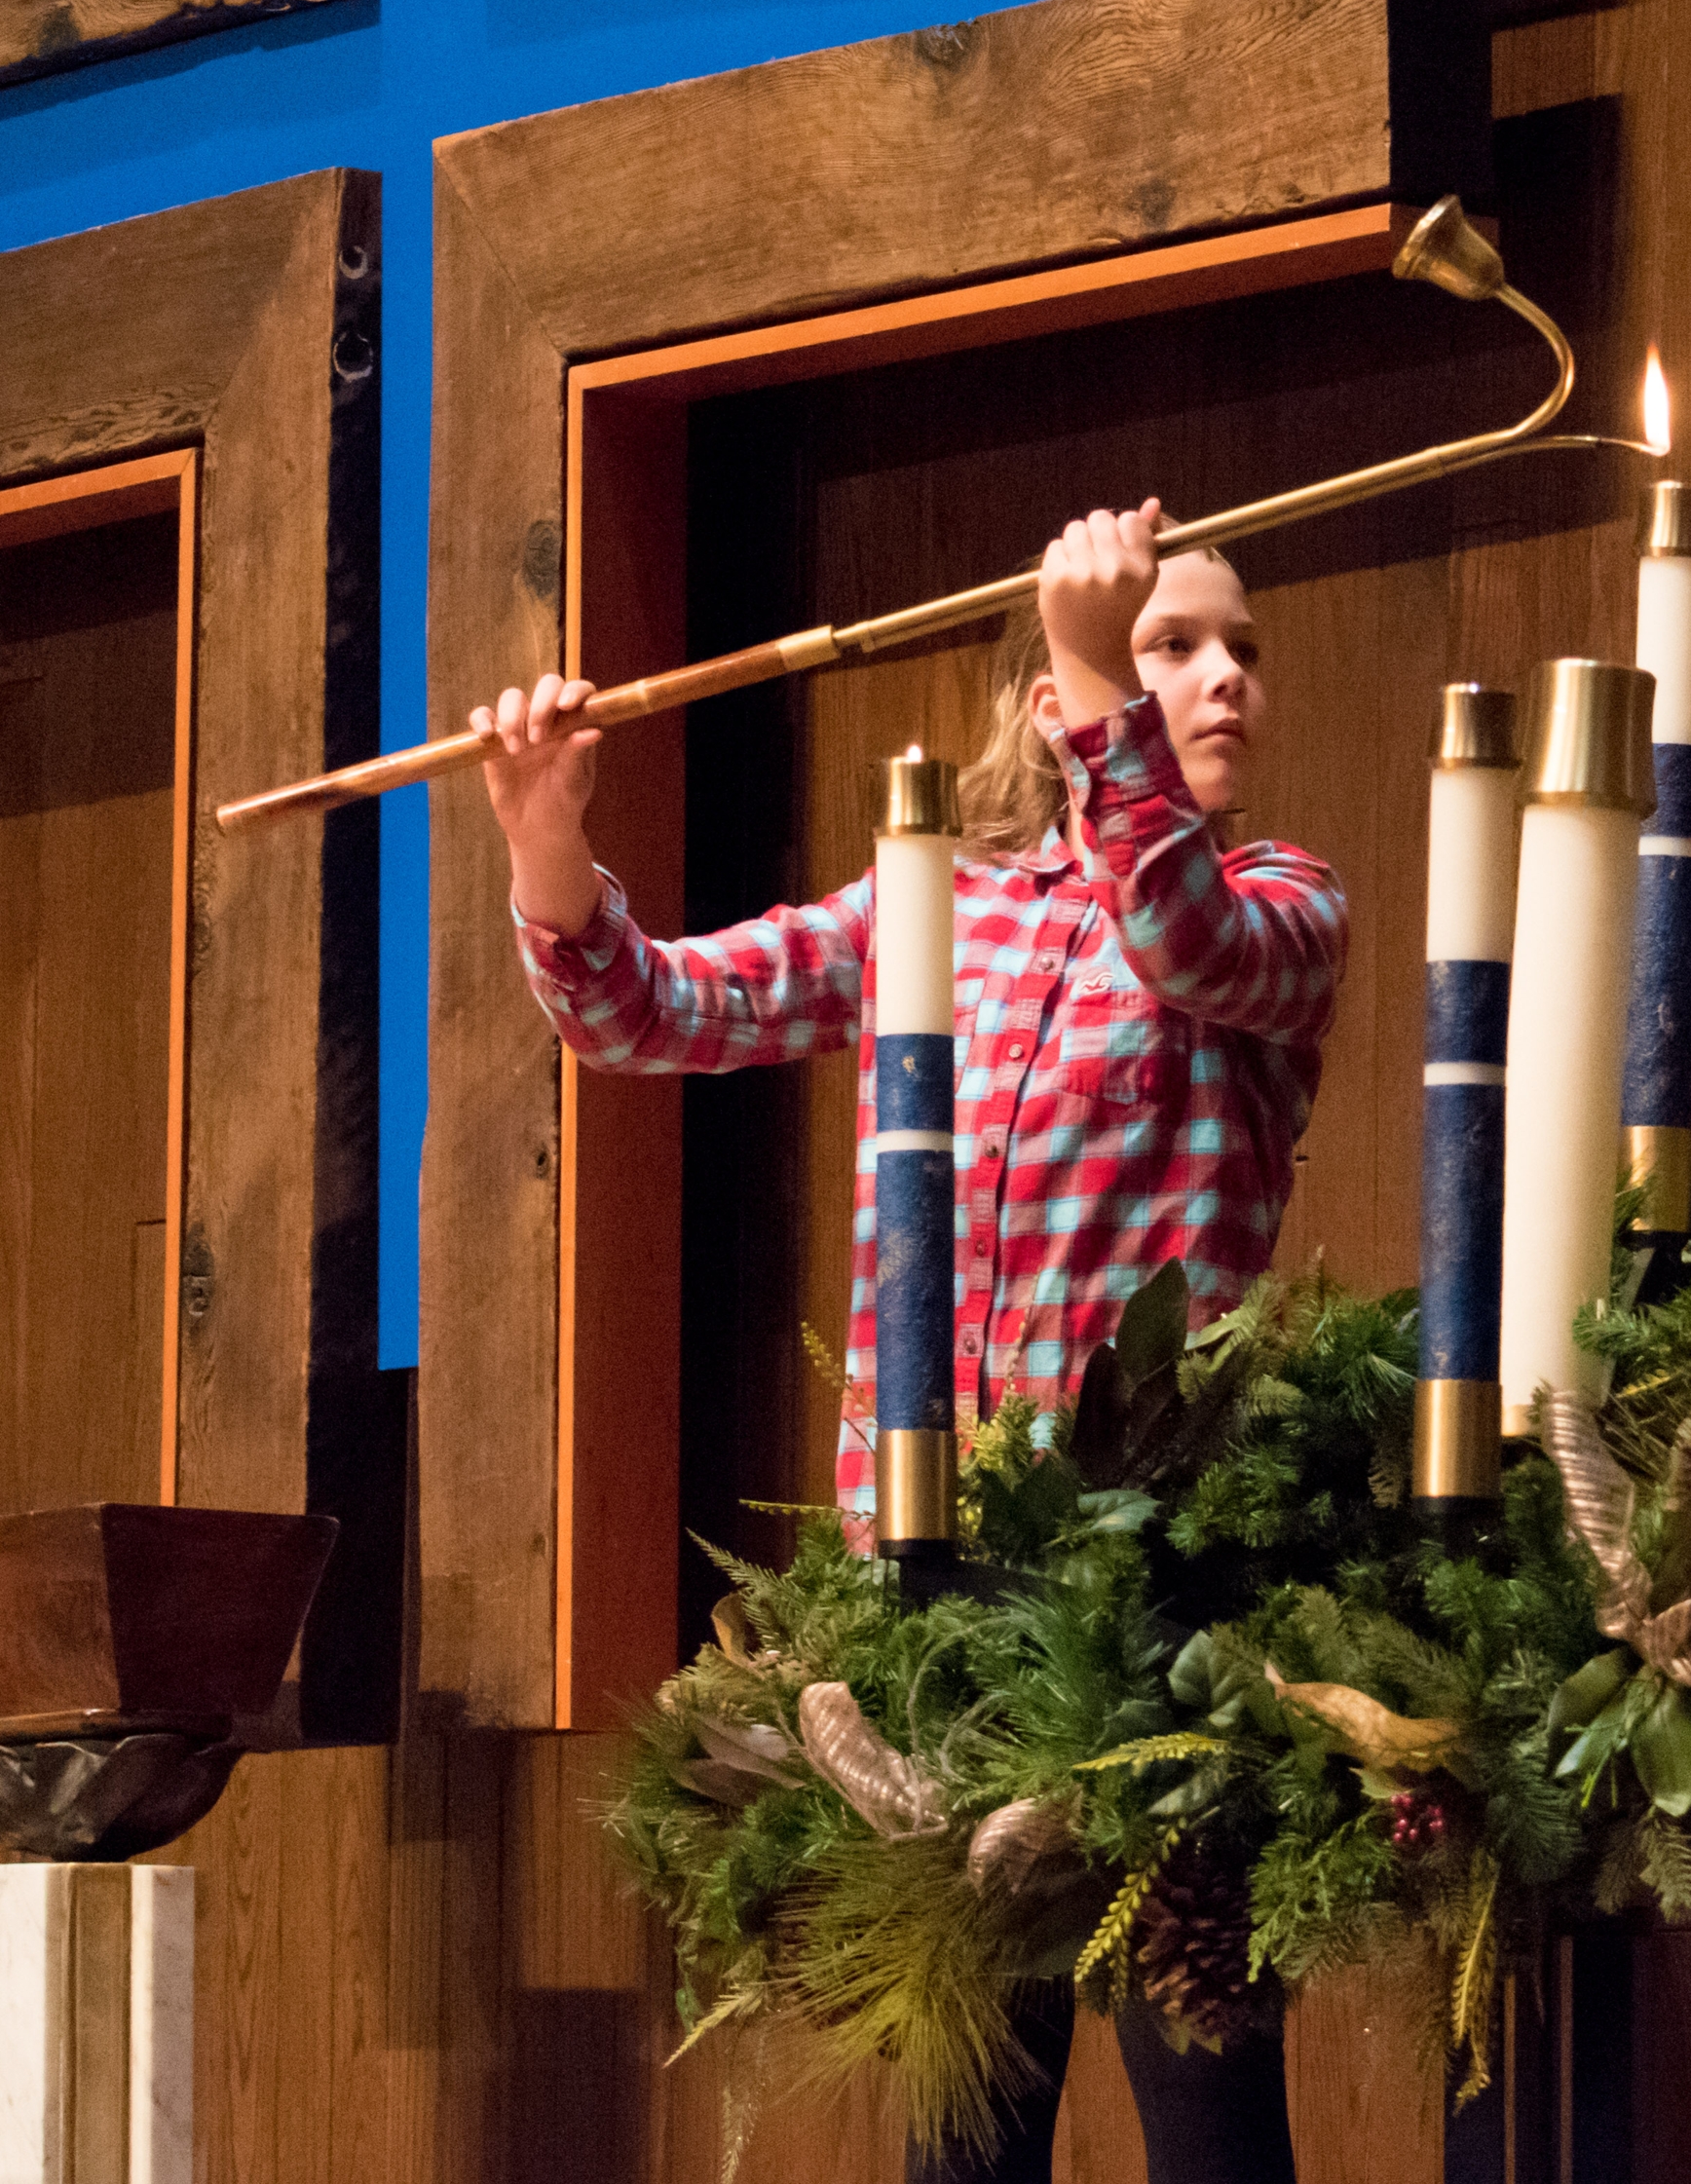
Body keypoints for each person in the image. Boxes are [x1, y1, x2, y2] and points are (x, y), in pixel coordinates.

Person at [477, 500, 1343, 2184]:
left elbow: (1183, 937)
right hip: (937, 1590)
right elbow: (647, 1008)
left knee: (1211, 2121)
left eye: (1240, 646)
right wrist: (544, 841)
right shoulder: (929, 909)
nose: (1225, 676)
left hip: (1162, 1596)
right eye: (1172, 644)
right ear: (1044, 703)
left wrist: (1111, 684)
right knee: (966, 2133)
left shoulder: (1283, 901)